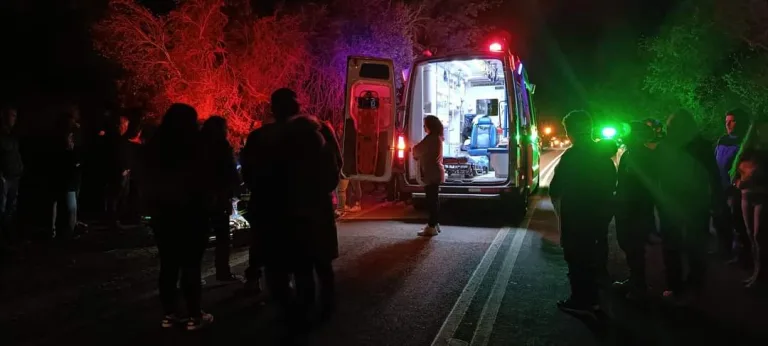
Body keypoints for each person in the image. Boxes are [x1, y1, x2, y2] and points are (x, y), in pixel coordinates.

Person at [241, 88, 339, 342]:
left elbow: (250, 177)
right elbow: (332, 173)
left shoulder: (259, 138)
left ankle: (289, 314)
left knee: (278, 267)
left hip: (273, 214)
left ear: (273, 109)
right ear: (298, 107)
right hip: (312, 212)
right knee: (313, 266)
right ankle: (318, 312)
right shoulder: (318, 133)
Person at [144, 103, 212, 330]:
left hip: (163, 213)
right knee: (191, 264)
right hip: (192, 212)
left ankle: (170, 313)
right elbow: (204, 179)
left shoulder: (156, 145)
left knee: (169, 264)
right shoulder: (197, 146)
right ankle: (194, 314)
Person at [549, 110, 616, 317]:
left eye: (569, 130)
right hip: (599, 214)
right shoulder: (603, 154)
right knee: (594, 255)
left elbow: (556, 187)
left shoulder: (573, 156)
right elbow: (611, 181)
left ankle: (582, 300)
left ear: (572, 131)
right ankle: (595, 298)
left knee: (577, 258)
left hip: (577, 215)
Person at [655, 110, 722, 305]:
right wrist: (716, 199)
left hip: (671, 200)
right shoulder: (702, 146)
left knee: (671, 245)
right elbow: (713, 175)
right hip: (696, 200)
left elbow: (656, 174)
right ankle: (696, 282)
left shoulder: (665, 145)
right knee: (696, 243)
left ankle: (675, 285)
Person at [613, 121, 658, 299]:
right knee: (628, 245)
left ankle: (639, 286)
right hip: (625, 207)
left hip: (637, 209)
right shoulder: (628, 154)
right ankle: (635, 280)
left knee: (635, 247)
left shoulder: (645, 156)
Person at [200, 116, 242, 282]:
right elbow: (230, 171)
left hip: (201, 197)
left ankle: (192, 275)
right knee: (222, 237)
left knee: (200, 237)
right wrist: (235, 188)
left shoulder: (197, 145)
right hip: (219, 196)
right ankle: (223, 272)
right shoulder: (222, 146)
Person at [731, 119, 768, 288]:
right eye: (761, 129)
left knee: (759, 236)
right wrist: (738, 183)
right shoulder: (747, 150)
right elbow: (735, 174)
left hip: (763, 198)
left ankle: (760, 274)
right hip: (746, 197)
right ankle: (756, 272)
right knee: (751, 235)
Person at [714, 109, 749, 263]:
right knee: (722, 221)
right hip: (720, 187)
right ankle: (725, 251)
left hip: (735, 190)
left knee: (737, 223)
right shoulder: (722, 140)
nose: (728, 124)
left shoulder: (745, 142)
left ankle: (742, 255)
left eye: (732, 120)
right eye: (726, 120)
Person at [413, 115, 445, 237]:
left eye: (425, 125)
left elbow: (417, 150)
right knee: (434, 199)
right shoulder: (437, 137)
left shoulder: (430, 138)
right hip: (436, 172)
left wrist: (414, 150)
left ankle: (431, 226)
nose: (423, 127)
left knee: (431, 200)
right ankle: (434, 224)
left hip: (431, 173)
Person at [0, 107, 22, 245]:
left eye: (15, 115)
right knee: (2, 209)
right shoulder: (2, 134)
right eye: (12, 115)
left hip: (14, 176)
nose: (14, 119)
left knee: (10, 208)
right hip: (4, 178)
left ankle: (8, 238)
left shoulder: (12, 134)